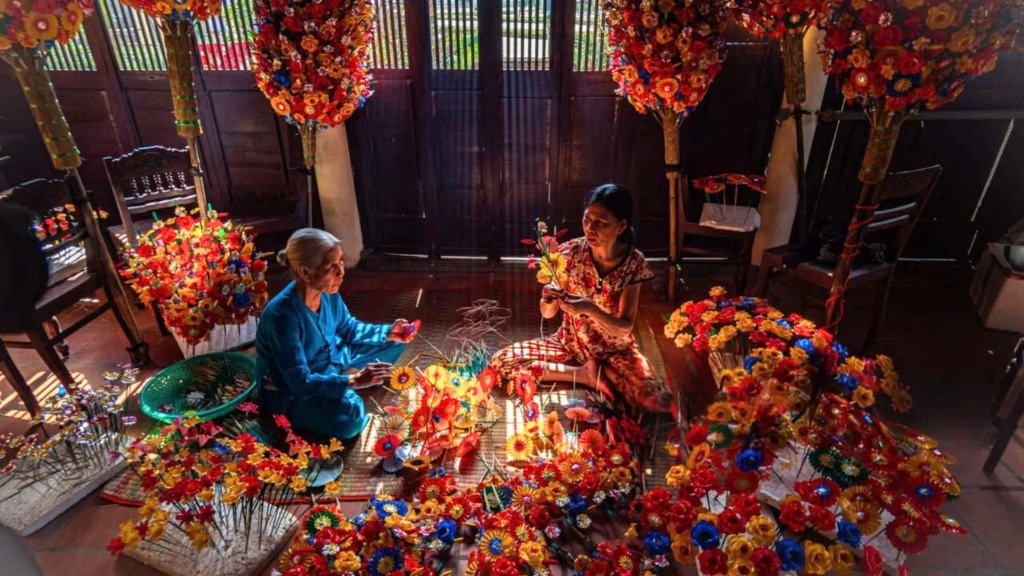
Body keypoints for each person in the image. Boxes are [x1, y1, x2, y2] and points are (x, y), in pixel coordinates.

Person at [490, 184, 673, 413]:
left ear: (621, 226)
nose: (590, 228)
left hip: (615, 351)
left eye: (601, 223)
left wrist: (591, 309)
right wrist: (548, 299)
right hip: (569, 344)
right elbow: (548, 314)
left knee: (656, 400)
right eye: (587, 219)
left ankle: (605, 371)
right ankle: (584, 374)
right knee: (501, 362)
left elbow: (625, 328)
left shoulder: (633, 263)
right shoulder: (571, 252)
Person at [255, 228, 416, 440]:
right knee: (348, 420)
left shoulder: (327, 292)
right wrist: (352, 381)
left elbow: (349, 328)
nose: (341, 272)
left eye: (340, 261)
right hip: (293, 391)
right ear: (305, 272)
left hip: (334, 358)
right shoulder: (281, 316)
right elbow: (300, 382)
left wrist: (387, 332)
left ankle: (341, 381)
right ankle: (342, 386)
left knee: (396, 341)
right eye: (331, 266)